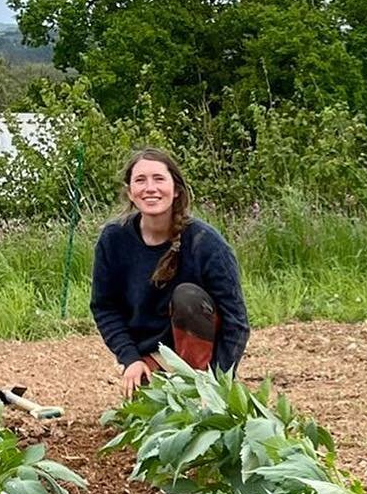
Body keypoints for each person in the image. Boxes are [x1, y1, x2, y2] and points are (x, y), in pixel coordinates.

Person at [91, 147, 251, 397]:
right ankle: (158, 376)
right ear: (130, 192)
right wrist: (130, 358)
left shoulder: (206, 243)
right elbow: (105, 307)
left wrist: (220, 382)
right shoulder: (113, 240)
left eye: (159, 179)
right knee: (149, 420)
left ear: (176, 190)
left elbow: (236, 322)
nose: (150, 188)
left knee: (187, 297)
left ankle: (195, 386)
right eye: (140, 180)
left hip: (205, 358)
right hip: (151, 353)